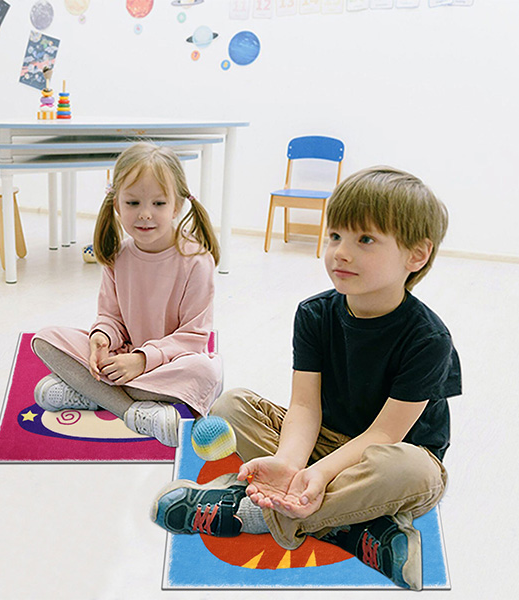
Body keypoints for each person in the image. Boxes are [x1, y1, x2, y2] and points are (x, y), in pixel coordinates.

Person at [151, 167, 460, 590]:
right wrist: (291, 464)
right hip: (324, 441)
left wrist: (320, 474)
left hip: (388, 453)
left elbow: (385, 434)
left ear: (416, 255)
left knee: (414, 473)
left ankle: (251, 514)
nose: (340, 253)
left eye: (364, 240)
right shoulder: (314, 314)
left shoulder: (429, 338)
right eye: (334, 236)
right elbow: (303, 406)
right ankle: (349, 526)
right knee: (231, 406)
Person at [31, 142, 224, 447]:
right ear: (117, 205)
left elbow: (193, 338)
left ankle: (91, 393)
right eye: (133, 203)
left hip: (171, 364)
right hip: (124, 360)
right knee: (46, 338)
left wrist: (142, 360)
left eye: (158, 204)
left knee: (205, 372)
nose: (145, 214)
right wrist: (102, 339)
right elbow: (111, 317)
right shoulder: (118, 256)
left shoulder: (197, 261)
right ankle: (132, 409)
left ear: (177, 205)